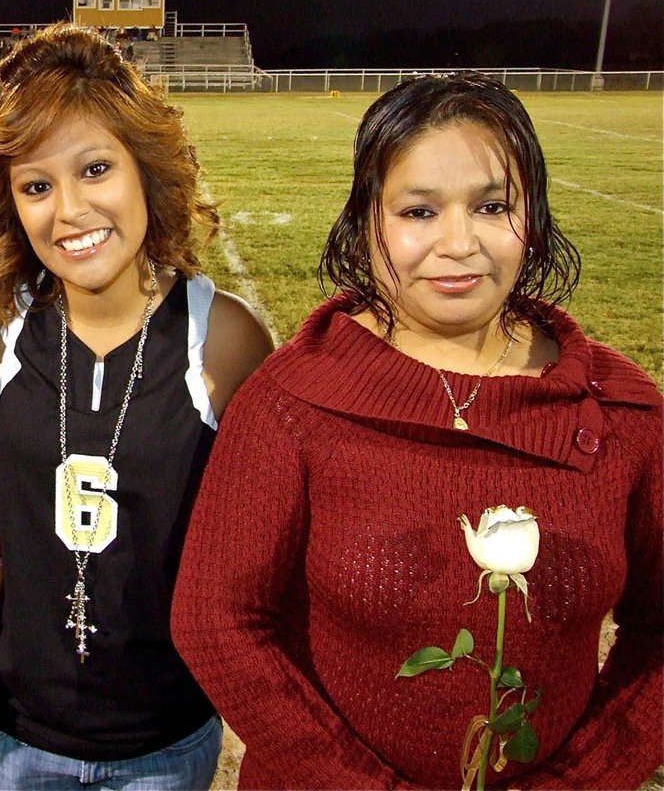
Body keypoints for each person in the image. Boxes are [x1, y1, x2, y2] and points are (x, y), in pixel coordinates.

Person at [173, 72, 662, 789]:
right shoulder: (289, 401)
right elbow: (216, 620)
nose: (458, 242)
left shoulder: (621, 411)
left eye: (492, 205)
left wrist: (581, 781)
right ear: (366, 221)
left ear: (535, 217)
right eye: (419, 210)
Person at [0, 22, 273, 790]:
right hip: (9, 734)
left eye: (95, 168)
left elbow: (265, 546)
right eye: (37, 185)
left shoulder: (223, 337)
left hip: (164, 740)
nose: (68, 210)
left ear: (146, 171)